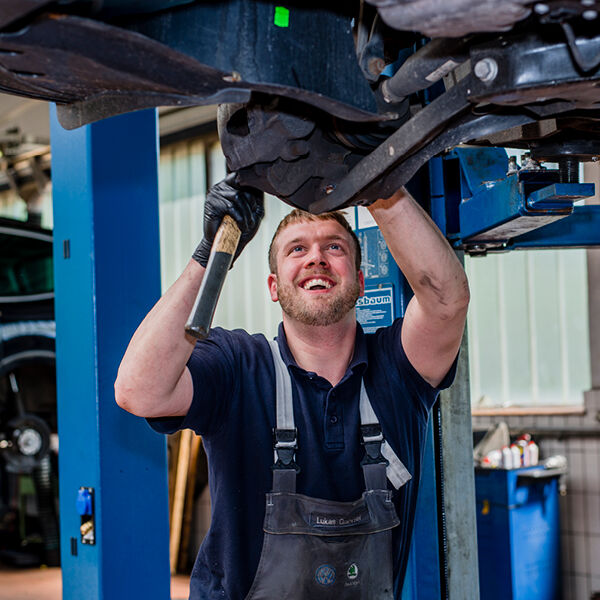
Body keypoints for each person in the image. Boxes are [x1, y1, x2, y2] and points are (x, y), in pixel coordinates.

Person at [114, 173, 470, 600]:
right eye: (297, 249)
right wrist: (209, 256)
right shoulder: (239, 365)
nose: (316, 258)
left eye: (333, 247)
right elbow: (138, 390)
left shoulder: (398, 368)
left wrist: (379, 181)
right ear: (274, 288)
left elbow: (447, 300)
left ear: (359, 281)